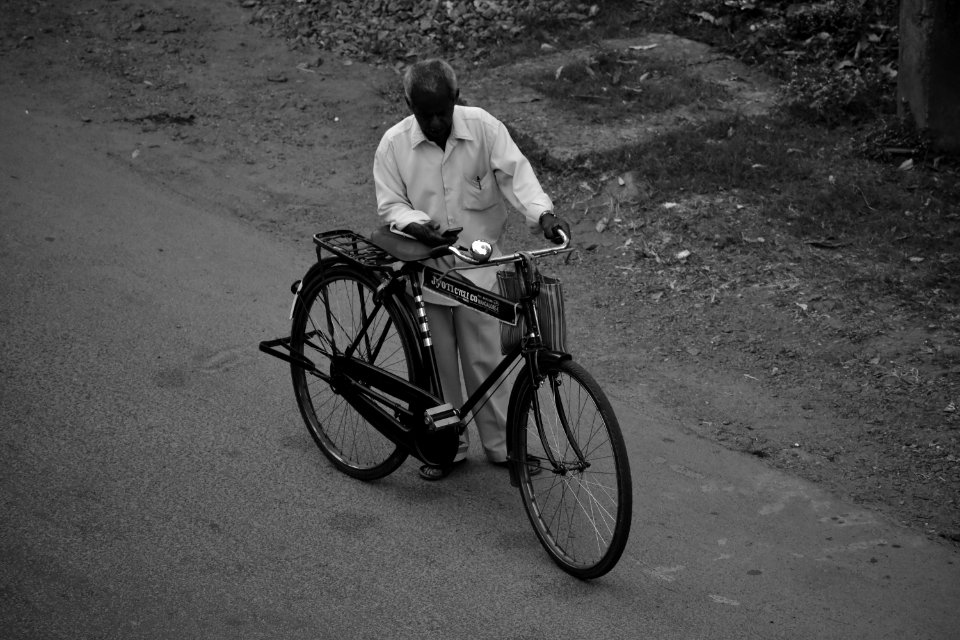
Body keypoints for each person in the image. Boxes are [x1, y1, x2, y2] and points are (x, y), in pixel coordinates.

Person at [373, 58, 570, 481]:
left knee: (487, 362)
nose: (435, 121)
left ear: (456, 100)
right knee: (438, 366)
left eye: (442, 111)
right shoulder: (393, 145)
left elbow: (517, 175)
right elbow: (390, 204)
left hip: (481, 272)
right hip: (428, 272)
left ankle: (502, 447)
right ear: (408, 104)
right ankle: (447, 446)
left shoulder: (483, 128)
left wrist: (544, 215)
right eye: (424, 114)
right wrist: (416, 226)